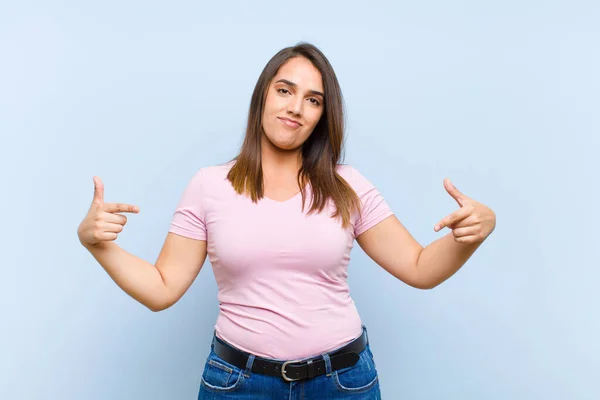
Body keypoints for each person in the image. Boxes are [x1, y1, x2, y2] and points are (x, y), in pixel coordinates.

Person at [77, 42, 496, 399]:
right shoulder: (209, 186)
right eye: (284, 90)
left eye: (313, 100)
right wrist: (97, 244)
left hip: (342, 382)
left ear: (321, 116)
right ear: (264, 95)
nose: (295, 108)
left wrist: (472, 235)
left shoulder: (347, 186)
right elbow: (161, 288)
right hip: (238, 384)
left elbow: (420, 268)